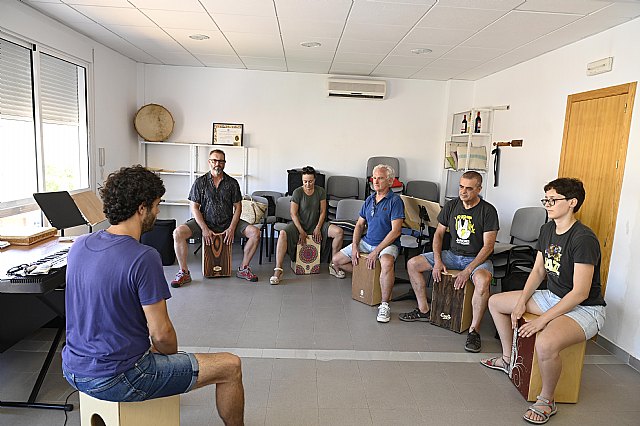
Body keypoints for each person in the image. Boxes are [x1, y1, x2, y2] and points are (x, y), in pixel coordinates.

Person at [62, 165, 244, 425]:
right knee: (230, 366)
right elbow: (162, 335)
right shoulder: (143, 257)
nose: (158, 212)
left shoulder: (79, 245)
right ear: (141, 208)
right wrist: (163, 354)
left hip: (72, 368)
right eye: (157, 205)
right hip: (119, 376)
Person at [480, 178, 605, 425]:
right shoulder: (547, 229)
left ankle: (547, 400)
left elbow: (580, 292)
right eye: (545, 199)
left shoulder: (583, 239)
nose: (547, 204)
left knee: (546, 343)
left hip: (585, 308)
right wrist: (521, 301)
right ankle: (508, 359)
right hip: (552, 297)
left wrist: (543, 321)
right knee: (496, 303)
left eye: (553, 200)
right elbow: (538, 272)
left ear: (572, 203)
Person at [399, 171, 498, 353]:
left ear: (479, 189)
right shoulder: (452, 206)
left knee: (483, 281)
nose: (463, 192)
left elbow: (488, 247)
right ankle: (423, 310)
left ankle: (474, 331)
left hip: (477, 259)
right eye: (461, 187)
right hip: (452, 255)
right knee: (413, 264)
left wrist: (468, 270)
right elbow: (438, 234)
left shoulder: (488, 211)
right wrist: (437, 261)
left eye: (469, 188)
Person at [172, 149, 260, 286]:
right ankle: (184, 272)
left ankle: (243, 268)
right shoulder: (200, 182)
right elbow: (194, 207)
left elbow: (238, 207)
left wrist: (232, 228)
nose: (217, 164)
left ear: (224, 163)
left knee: (255, 233)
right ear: (209, 162)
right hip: (204, 222)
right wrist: (204, 229)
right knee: (178, 233)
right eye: (214, 160)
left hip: (228, 222)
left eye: (221, 161)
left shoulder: (232, 183)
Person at [331, 164, 404, 323]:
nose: (376, 182)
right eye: (374, 178)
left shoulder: (395, 201)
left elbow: (396, 232)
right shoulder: (370, 199)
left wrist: (376, 251)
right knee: (336, 261)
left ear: (390, 181)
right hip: (366, 242)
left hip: (387, 245)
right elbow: (359, 225)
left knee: (386, 262)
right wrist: (356, 246)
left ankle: (384, 305)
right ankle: (370, 278)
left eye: (381, 178)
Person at [270, 166, 344, 284]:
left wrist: (318, 228)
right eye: (305, 181)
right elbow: (293, 214)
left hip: (316, 224)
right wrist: (301, 231)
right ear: (302, 180)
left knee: (338, 232)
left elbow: (323, 212)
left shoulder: (320, 191)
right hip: (299, 225)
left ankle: (334, 265)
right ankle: (278, 270)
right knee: (283, 233)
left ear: (314, 180)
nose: (308, 184)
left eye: (310, 181)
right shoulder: (297, 192)